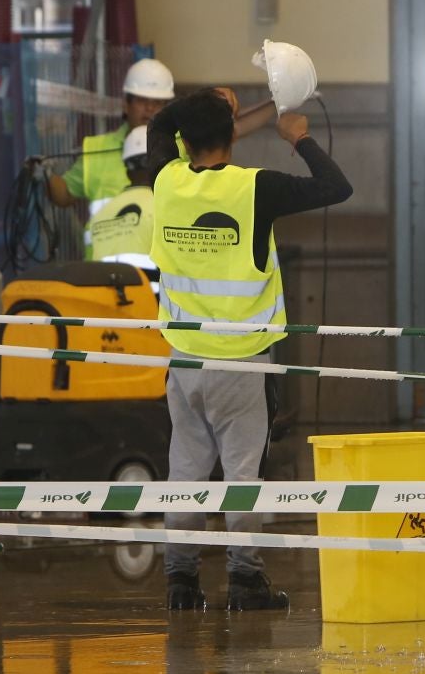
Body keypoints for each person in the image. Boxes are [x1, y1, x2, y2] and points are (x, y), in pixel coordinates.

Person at [145, 86, 351, 611]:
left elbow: (156, 128)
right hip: (240, 363)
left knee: (186, 472)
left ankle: (181, 582)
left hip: (184, 361)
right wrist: (299, 139)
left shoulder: (166, 181)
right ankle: (244, 580)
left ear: (184, 140)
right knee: (242, 475)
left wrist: (206, 101)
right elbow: (336, 186)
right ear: (232, 135)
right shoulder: (256, 188)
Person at [45, 56, 175, 222]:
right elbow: (64, 195)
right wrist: (45, 174)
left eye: (157, 102)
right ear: (126, 105)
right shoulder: (97, 149)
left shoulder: (183, 149)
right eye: (142, 100)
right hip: (110, 247)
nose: (149, 108)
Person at [82, 127, 157, 268]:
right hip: (149, 290)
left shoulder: (100, 215)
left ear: (127, 171)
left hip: (104, 290)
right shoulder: (163, 208)